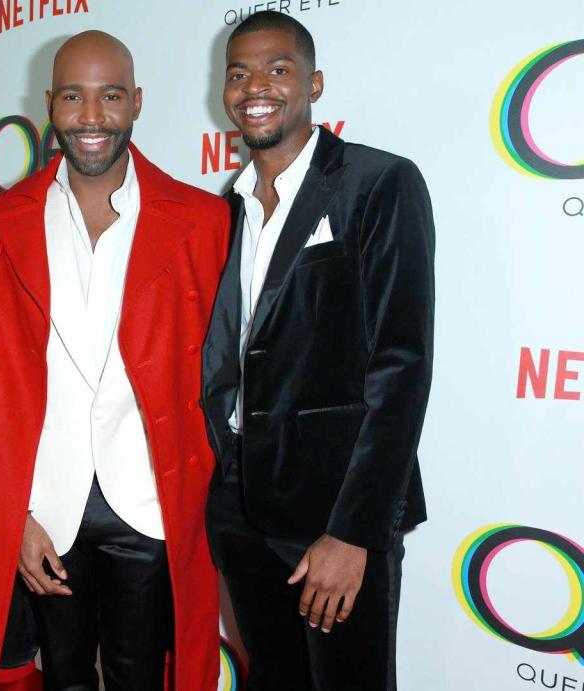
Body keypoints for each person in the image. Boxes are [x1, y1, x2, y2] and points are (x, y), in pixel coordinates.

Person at [0, 30, 229, 691]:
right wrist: (15, 515)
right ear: (49, 104)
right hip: (46, 502)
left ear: (137, 102)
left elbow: (224, 379)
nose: (92, 117)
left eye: (110, 96)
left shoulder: (204, 221)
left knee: (138, 676)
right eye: (74, 96)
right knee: (64, 675)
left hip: (150, 501)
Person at [202, 11, 435, 691]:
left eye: (278, 69)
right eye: (238, 73)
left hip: (333, 512)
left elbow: (402, 365)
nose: (255, 87)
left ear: (315, 82)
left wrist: (354, 531)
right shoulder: (231, 202)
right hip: (242, 502)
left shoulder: (377, 182)